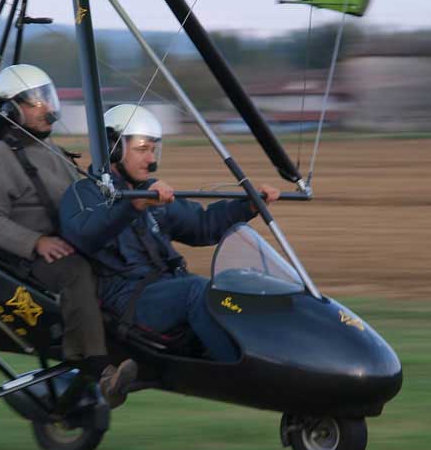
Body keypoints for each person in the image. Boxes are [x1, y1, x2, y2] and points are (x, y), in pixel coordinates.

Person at [0, 64, 136, 406]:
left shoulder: (52, 151)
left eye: (47, 98)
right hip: (26, 257)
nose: (47, 108)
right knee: (76, 272)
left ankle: (140, 344)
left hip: (68, 241)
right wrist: (35, 242)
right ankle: (98, 368)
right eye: (35, 102)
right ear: (11, 110)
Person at [59, 104, 280, 361]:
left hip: (166, 287)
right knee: (197, 290)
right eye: (142, 149)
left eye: (153, 150)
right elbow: (85, 236)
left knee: (235, 285)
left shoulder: (150, 193)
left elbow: (202, 225)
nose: (151, 160)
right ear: (113, 148)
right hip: (129, 300)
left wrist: (247, 206)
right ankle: (242, 368)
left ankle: (278, 356)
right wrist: (131, 206)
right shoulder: (83, 194)